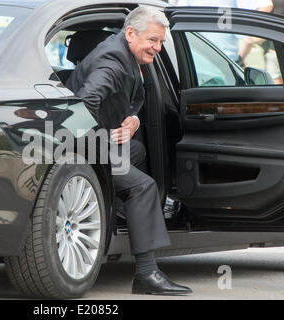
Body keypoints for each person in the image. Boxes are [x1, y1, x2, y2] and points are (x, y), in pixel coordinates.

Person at [65, 7, 192, 295]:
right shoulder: (111, 61)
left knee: (135, 150)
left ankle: (124, 212)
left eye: (160, 42)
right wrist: (103, 139)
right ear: (131, 33)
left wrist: (133, 120)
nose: (157, 48)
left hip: (95, 143)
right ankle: (147, 274)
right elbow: (83, 107)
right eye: (153, 40)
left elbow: (136, 97)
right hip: (79, 148)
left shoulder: (127, 53)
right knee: (143, 187)